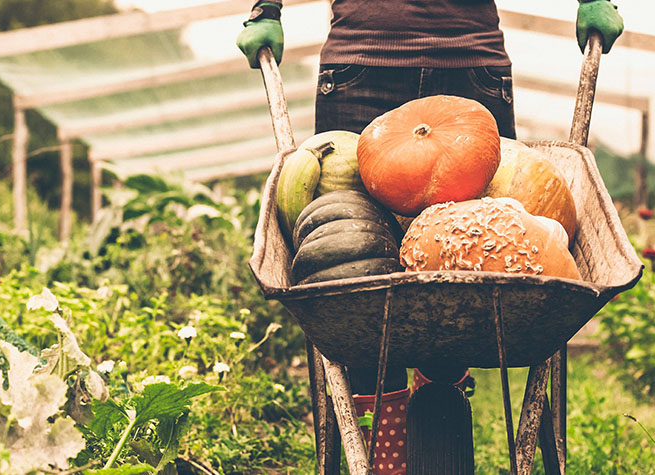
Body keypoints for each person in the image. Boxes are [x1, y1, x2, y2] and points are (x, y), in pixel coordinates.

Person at [236, 1, 623, 473]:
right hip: (365, 60)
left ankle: (436, 406)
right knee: (353, 260)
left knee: (476, 252)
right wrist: (267, 7)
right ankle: (388, 443)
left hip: (466, 65)